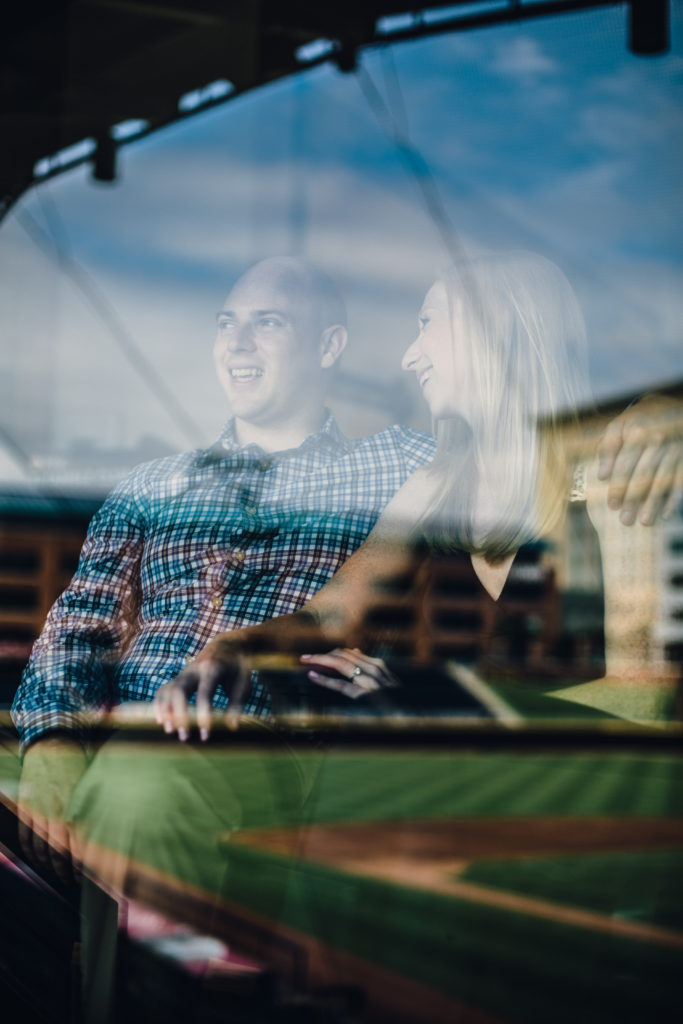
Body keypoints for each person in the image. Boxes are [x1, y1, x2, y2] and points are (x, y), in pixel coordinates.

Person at [155, 251, 683, 729]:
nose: (410, 357)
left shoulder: (624, 466)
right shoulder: (432, 487)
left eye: (426, 323)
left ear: (491, 327)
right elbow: (330, 617)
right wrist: (232, 648)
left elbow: (651, 702)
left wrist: (437, 699)